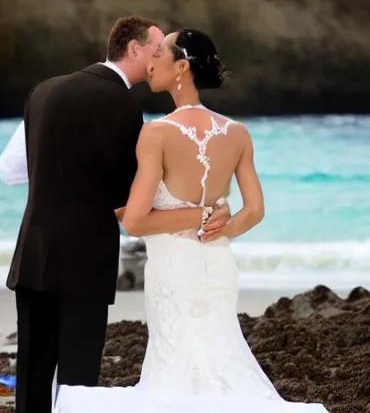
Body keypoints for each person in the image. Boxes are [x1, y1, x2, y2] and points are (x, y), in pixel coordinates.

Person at [54, 29, 329, 412]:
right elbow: (255, 210)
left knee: (176, 373)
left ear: (181, 67)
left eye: (161, 52)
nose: (151, 61)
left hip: (174, 271)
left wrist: (196, 217)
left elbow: (134, 221)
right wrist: (216, 226)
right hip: (218, 266)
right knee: (218, 358)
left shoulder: (156, 134)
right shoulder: (237, 133)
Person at [0, 19, 230, 413]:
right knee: (77, 383)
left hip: (33, 254)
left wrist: (58, 176)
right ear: (134, 50)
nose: (157, 59)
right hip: (84, 262)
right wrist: (198, 209)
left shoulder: (43, 91)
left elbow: (10, 170)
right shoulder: (122, 106)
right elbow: (129, 198)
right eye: (155, 50)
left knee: (32, 378)